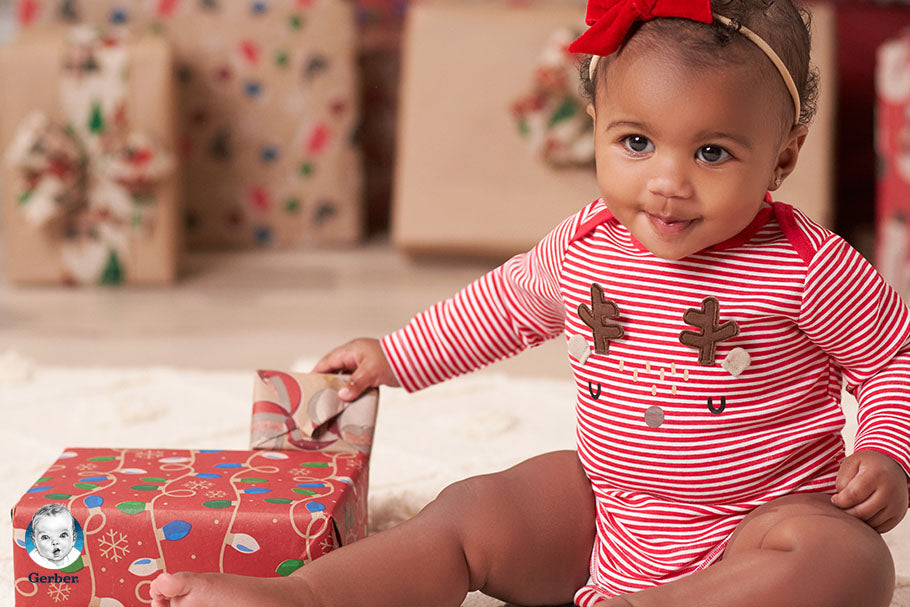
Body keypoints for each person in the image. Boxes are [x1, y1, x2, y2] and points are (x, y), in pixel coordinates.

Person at [150, 0, 910, 605]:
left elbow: (892, 359)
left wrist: (883, 449)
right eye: (637, 142)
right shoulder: (587, 246)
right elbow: (500, 307)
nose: (667, 181)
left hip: (758, 527)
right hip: (606, 510)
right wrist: (397, 354)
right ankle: (312, 596)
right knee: (473, 509)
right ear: (597, 131)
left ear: (783, 155)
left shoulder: (807, 267)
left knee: (847, 559)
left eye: (711, 151)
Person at [28, 504, 81, 570]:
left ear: (73, 539)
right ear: (34, 541)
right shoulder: (33, 560)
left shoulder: (75, 555)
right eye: (45, 537)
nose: (55, 542)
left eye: (62, 535)